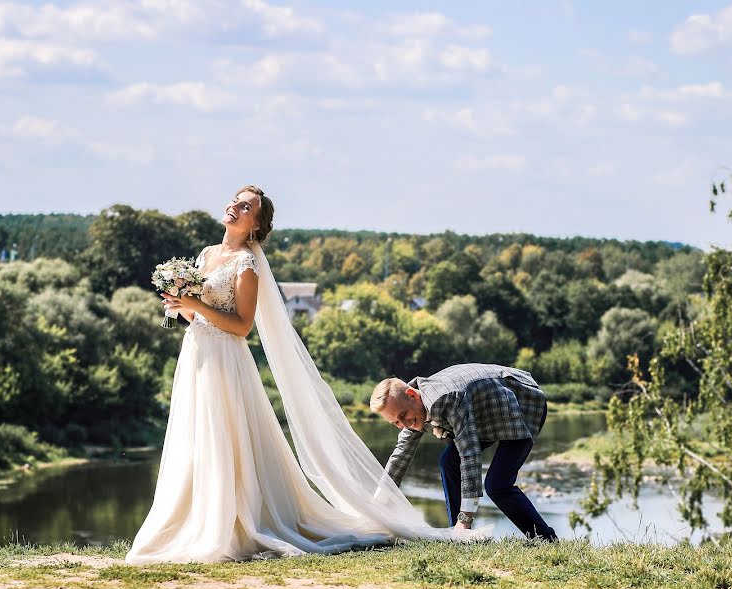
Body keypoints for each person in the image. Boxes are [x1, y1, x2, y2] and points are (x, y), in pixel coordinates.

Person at [126, 186, 481, 565]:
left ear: (255, 226)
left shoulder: (246, 263)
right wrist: (181, 306)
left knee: (224, 437)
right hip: (195, 355)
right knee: (196, 438)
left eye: (246, 207)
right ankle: (191, 522)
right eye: (236, 200)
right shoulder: (207, 255)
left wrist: (193, 302)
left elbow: (242, 325)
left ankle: (230, 524)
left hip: (226, 363)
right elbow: (199, 317)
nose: (235, 207)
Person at [371, 364, 557, 541]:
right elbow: (400, 455)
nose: (403, 425)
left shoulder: (445, 399)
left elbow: (469, 454)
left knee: (497, 485)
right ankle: (458, 534)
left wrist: (466, 518)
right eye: (395, 422)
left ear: (412, 395)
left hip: (521, 401)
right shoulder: (411, 404)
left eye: (403, 416)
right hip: (485, 414)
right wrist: (375, 507)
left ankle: (544, 538)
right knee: (449, 461)